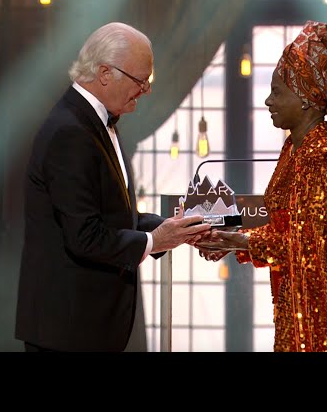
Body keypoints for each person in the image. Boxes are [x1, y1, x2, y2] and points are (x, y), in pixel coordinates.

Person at [196, 20, 327, 352]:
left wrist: (236, 240)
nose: (268, 101)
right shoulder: (298, 147)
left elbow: (305, 248)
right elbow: (295, 235)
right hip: (299, 302)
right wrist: (235, 241)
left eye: (277, 91)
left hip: (321, 313)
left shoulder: (320, 154)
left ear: (306, 96)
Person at [15, 22, 211, 352]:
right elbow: (85, 237)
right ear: (105, 72)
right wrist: (155, 239)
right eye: (140, 80)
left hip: (87, 329)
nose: (147, 90)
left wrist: (175, 229)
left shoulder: (93, 121)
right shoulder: (70, 132)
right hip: (68, 332)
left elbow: (115, 217)